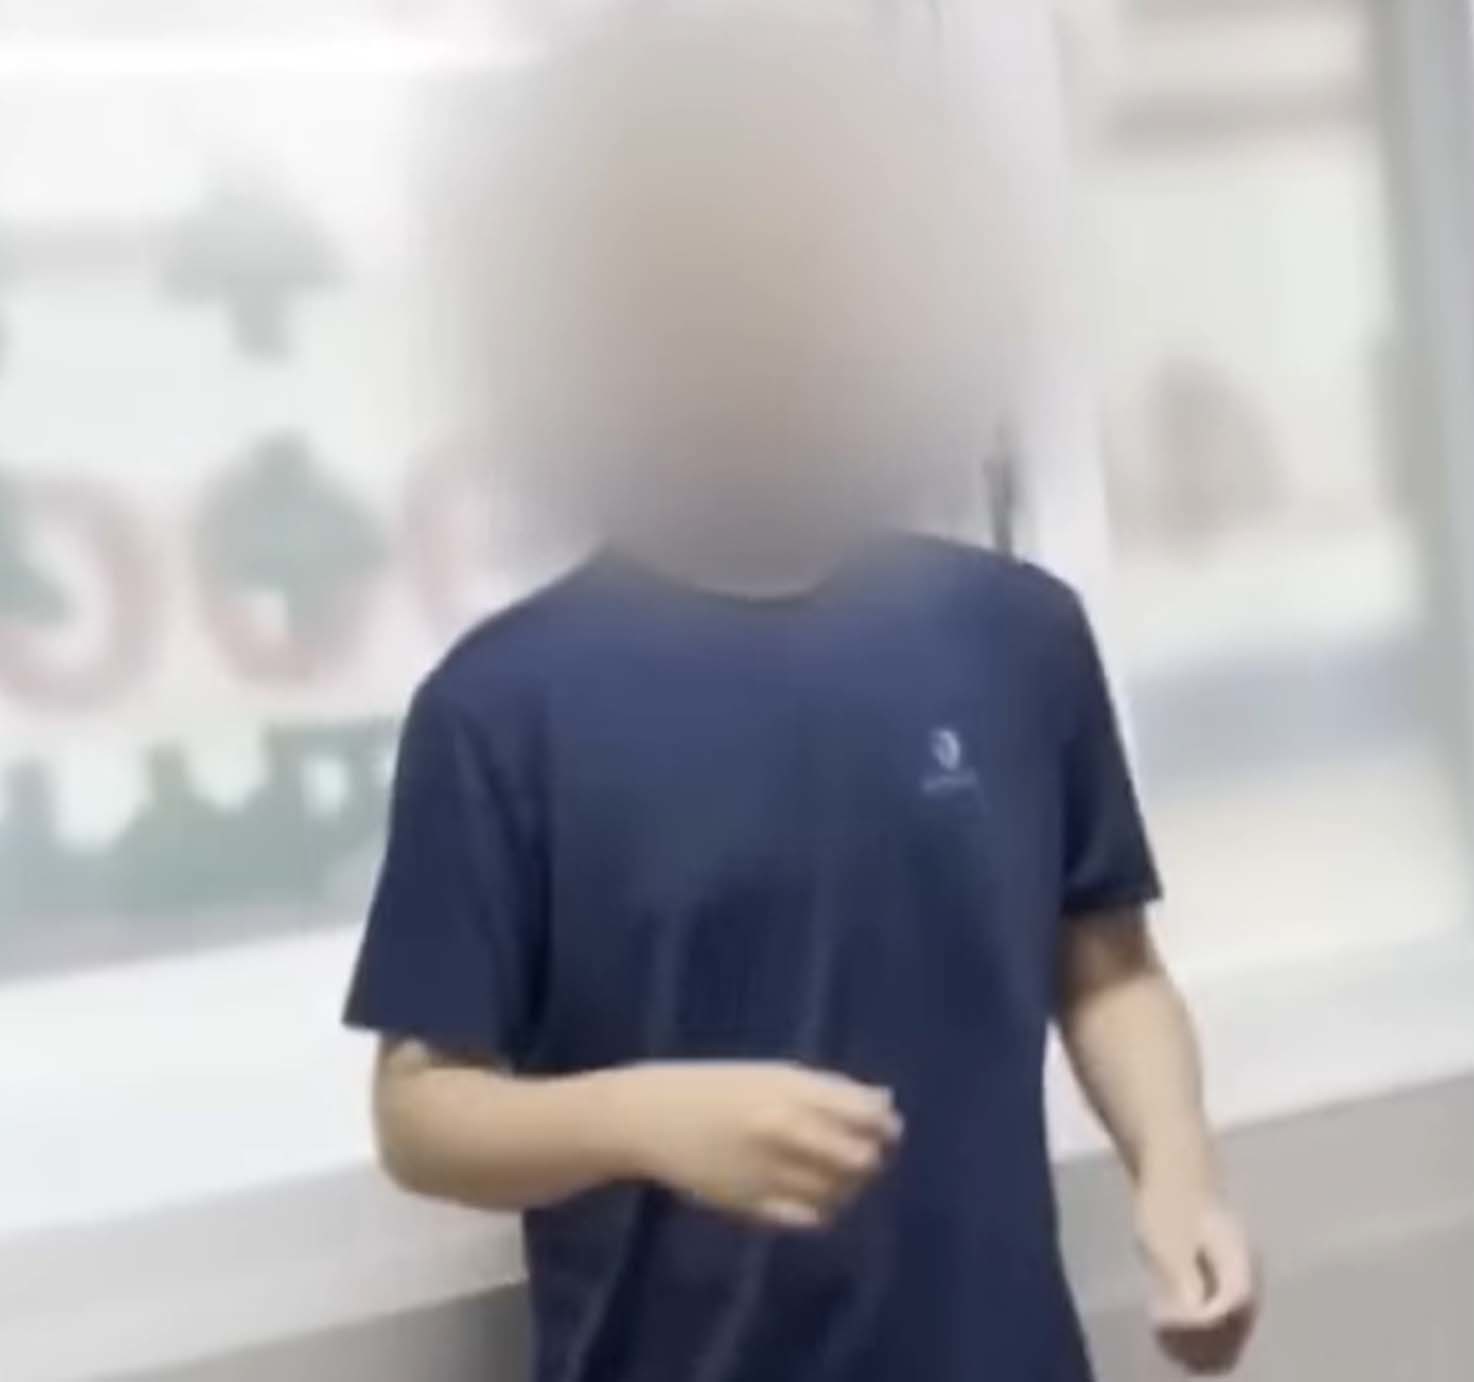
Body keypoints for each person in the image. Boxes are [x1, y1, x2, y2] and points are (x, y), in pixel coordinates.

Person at [345, 13, 1257, 1381]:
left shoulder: (1013, 637)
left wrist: (1179, 1178)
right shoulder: (503, 708)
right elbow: (422, 1112)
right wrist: (645, 1120)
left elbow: (1109, 967)